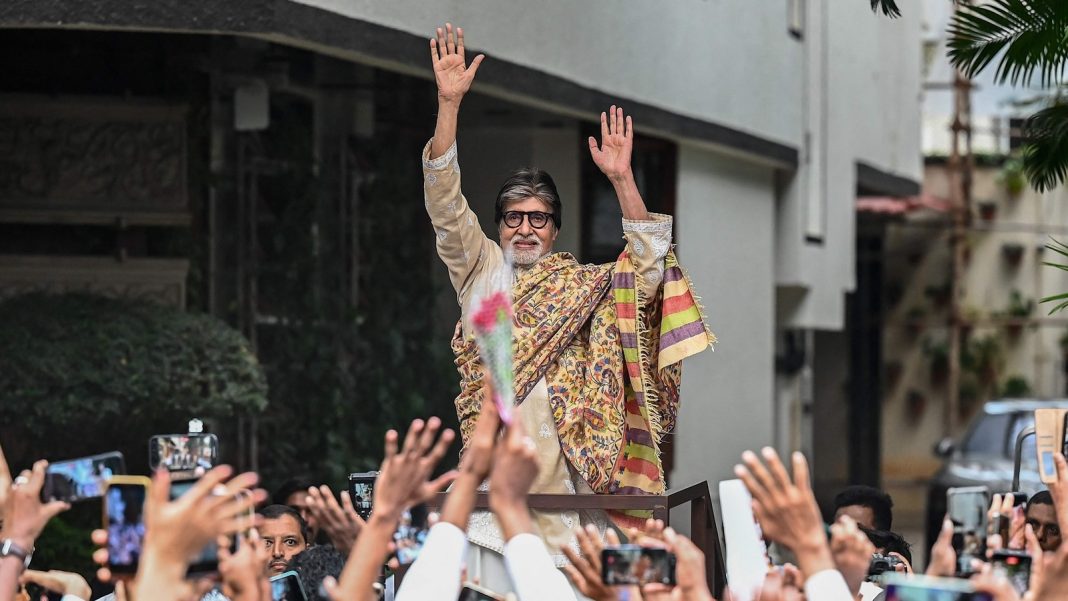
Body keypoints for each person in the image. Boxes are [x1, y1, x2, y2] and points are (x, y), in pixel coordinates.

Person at [422, 21, 714, 577]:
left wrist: (623, 178)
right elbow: (443, 199)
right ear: (498, 226)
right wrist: (448, 104)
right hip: (489, 510)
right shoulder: (481, 269)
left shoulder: (589, 287)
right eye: (514, 219)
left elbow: (649, 268)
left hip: (575, 501)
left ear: (555, 229)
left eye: (538, 219)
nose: (525, 230)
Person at [259, 504, 311, 575]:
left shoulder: (327, 585)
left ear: (307, 552)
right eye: (266, 543)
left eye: (290, 542)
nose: (277, 552)